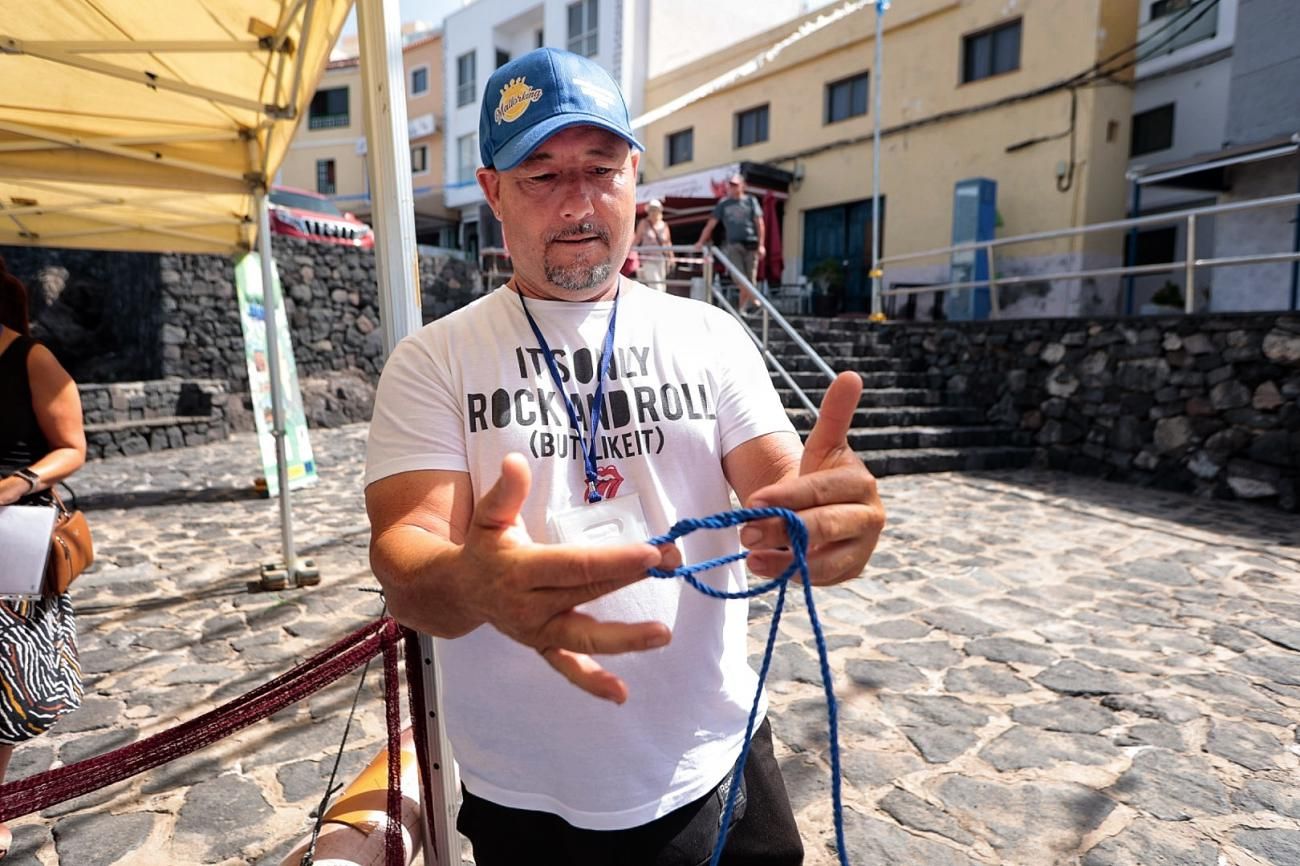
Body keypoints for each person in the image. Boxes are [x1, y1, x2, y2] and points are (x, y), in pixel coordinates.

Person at [365, 47, 884, 866]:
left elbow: (782, 481)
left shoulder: (711, 336)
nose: (578, 202)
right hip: (529, 793)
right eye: (541, 175)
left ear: (635, 178)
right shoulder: (434, 359)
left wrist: (819, 516)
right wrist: (471, 582)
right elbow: (404, 550)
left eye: (601, 168)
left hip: (721, 760)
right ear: (493, 191)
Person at [0, 256, 87, 860]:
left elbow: (72, 446)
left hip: (11, 536)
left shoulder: (30, 358)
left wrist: (18, 482)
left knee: (4, 679)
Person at [694, 174, 765, 315]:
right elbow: (710, 224)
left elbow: (760, 224)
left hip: (751, 244)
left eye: (735, 184)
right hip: (734, 245)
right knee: (739, 277)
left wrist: (761, 245)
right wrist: (700, 242)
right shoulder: (724, 203)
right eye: (730, 184)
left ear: (743, 186)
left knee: (750, 279)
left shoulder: (751, 201)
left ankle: (742, 310)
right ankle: (756, 301)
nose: (732, 187)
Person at [632, 198, 674, 292]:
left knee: (662, 286)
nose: (653, 212)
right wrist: (629, 251)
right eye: (651, 209)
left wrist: (671, 257)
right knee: (655, 286)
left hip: (661, 259)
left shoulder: (664, 225)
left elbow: (668, 242)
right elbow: (637, 239)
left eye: (655, 209)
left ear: (659, 211)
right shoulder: (644, 223)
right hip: (647, 259)